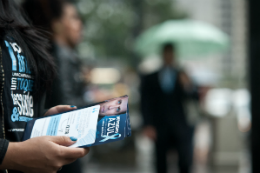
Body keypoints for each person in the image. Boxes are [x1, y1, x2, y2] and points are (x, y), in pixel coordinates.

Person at [0, 0, 89, 173]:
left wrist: (39, 120)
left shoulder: (13, 16)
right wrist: (11, 154)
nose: (80, 25)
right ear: (57, 24)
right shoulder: (61, 56)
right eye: (73, 18)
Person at [140, 43, 199, 173]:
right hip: (160, 126)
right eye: (166, 53)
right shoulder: (151, 77)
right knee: (160, 162)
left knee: (185, 161)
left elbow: (195, 98)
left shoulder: (183, 76)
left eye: (171, 53)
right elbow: (145, 103)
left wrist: (187, 85)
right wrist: (148, 124)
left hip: (181, 126)